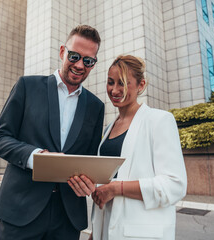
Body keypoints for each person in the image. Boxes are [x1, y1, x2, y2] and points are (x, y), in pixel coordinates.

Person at [0, 25, 104, 240]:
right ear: (62, 51)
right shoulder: (27, 86)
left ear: (93, 64)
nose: (80, 65)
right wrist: (36, 157)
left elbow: (90, 158)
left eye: (88, 61)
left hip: (68, 217)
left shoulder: (96, 106)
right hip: (20, 211)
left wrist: (89, 181)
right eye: (74, 56)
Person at [69, 55, 187, 240]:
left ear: (141, 85)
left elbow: (175, 185)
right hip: (107, 230)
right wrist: (96, 232)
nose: (115, 90)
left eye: (123, 83)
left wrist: (117, 188)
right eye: (110, 82)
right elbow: (105, 185)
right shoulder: (109, 128)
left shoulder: (159, 120)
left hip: (141, 233)